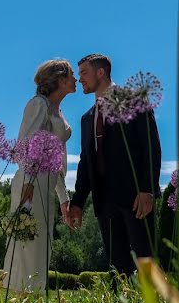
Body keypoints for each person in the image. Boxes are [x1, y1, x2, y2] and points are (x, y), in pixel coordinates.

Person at [67, 53, 162, 276]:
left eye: (84, 73)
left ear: (101, 73)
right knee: (117, 270)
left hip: (136, 199)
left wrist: (147, 189)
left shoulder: (134, 102)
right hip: (105, 203)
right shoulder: (87, 118)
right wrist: (78, 202)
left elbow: (152, 147)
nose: (80, 79)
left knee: (146, 264)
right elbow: (85, 161)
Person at [3, 59, 75, 292]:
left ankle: (33, 296)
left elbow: (56, 160)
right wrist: (29, 186)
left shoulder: (58, 111)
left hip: (47, 186)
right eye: (72, 75)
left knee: (43, 246)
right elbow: (24, 147)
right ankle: (17, 296)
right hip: (30, 186)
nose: (75, 80)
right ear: (60, 80)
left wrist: (63, 198)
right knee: (26, 246)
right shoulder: (38, 105)